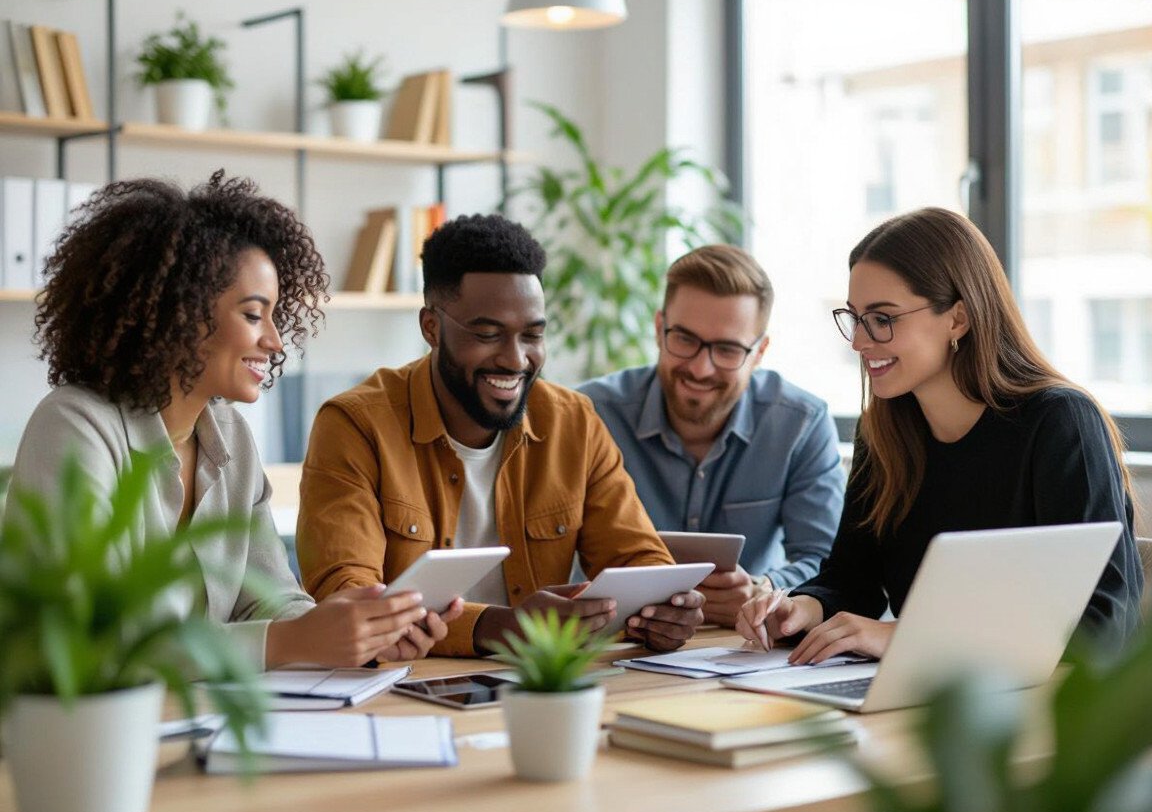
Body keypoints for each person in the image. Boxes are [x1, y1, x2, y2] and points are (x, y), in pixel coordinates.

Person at [9, 171, 459, 671]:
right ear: (179, 312)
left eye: (274, 316)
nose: (276, 341)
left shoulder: (229, 436)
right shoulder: (75, 427)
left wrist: (356, 635)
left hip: (214, 725)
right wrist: (290, 643)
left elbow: (269, 601)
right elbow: (86, 638)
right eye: (252, 315)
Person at [737, 207, 1142, 660]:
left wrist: (905, 638)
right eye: (855, 317)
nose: (858, 342)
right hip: (932, 696)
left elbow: (1103, 624)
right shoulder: (887, 430)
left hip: (1043, 706)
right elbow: (852, 579)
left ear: (958, 319)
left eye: (883, 318)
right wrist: (802, 607)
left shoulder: (1060, 423)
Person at [296, 213, 705, 656]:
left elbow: (636, 558)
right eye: (488, 334)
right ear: (431, 327)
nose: (515, 360)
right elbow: (348, 597)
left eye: (532, 335)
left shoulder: (573, 422)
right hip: (406, 688)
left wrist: (665, 612)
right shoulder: (355, 424)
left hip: (542, 685)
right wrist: (502, 627)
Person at [579, 245, 845, 627]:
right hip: (614, 640)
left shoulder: (799, 424)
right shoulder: (590, 414)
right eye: (685, 339)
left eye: (727, 349)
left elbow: (825, 560)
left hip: (739, 645)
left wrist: (762, 589)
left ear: (759, 353)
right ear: (659, 329)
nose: (701, 368)